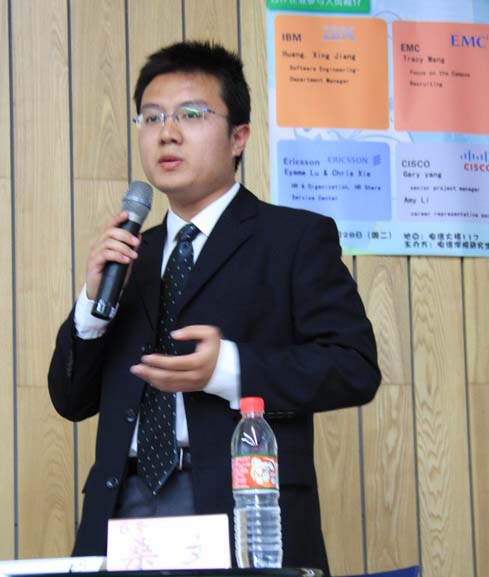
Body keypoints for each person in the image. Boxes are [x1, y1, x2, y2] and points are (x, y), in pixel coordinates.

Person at [48, 40, 380, 575]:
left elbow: (355, 367)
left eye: (191, 114)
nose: (167, 133)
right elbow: (71, 400)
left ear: (238, 137)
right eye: (151, 117)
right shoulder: (131, 255)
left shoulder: (293, 239)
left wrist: (229, 369)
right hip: (123, 506)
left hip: (243, 508)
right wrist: (92, 304)